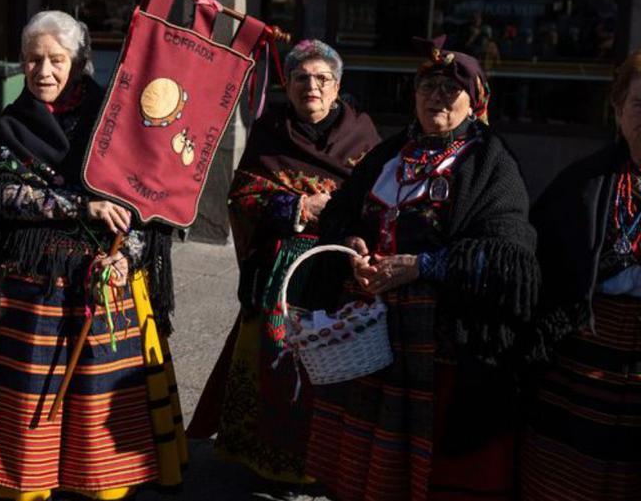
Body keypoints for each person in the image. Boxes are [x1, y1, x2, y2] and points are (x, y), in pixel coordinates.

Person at [302, 36, 541, 501]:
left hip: (439, 344)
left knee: (433, 470)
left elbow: (510, 257)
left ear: (475, 101)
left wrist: (423, 265)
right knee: (369, 466)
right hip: (371, 335)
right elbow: (339, 215)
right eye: (427, 86)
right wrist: (351, 246)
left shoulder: (491, 163)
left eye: (450, 89)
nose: (436, 96)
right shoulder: (387, 155)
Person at [0, 10, 186, 501]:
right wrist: (79, 204)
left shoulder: (113, 121)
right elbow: (3, 195)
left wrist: (127, 256)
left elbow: (143, 203)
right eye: (32, 60)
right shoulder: (10, 124)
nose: (43, 71)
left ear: (79, 61)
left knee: (97, 403)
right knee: (32, 406)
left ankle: (98, 486)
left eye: (55, 60)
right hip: (35, 283)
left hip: (103, 277)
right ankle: (26, 484)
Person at [187, 40, 379, 483]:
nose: (311, 86)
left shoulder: (364, 135)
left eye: (321, 79)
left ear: (337, 86)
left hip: (339, 270)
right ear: (287, 85)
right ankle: (271, 462)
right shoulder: (270, 130)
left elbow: (379, 201)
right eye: (301, 79)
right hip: (280, 273)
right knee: (276, 364)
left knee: (333, 366)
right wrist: (297, 207)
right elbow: (242, 196)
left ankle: (326, 464)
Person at [520, 49, 641, 499]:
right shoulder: (584, 182)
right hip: (585, 353)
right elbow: (540, 257)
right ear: (618, 110)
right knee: (568, 482)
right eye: (639, 104)